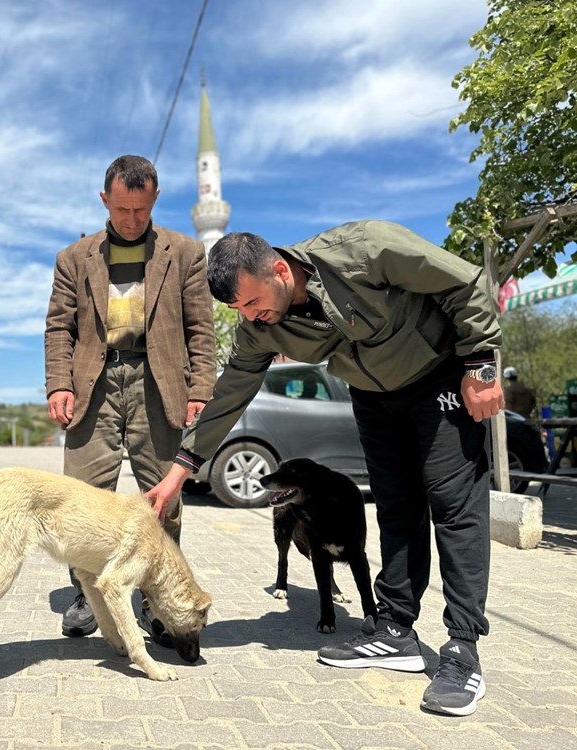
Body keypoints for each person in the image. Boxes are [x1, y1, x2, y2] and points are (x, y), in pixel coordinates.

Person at [147, 221, 503, 717]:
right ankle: (395, 630)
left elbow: (464, 281)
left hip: (440, 376)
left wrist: (480, 364)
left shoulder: (363, 249)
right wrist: (178, 473)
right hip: (374, 398)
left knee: (453, 506)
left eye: (252, 303)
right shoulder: (260, 328)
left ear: (277, 268)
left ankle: (463, 650)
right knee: (396, 509)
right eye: (240, 311)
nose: (252, 317)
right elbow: (229, 396)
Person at [44, 154, 216, 644]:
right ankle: (85, 595)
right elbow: (59, 326)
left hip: (159, 382)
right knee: (81, 500)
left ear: (155, 200)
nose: (132, 220)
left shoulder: (184, 253)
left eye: (141, 210)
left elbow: (200, 327)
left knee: (164, 498)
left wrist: (200, 387)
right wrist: (60, 381)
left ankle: (157, 599)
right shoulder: (74, 258)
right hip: (92, 385)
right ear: (105, 200)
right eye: (122, 210)